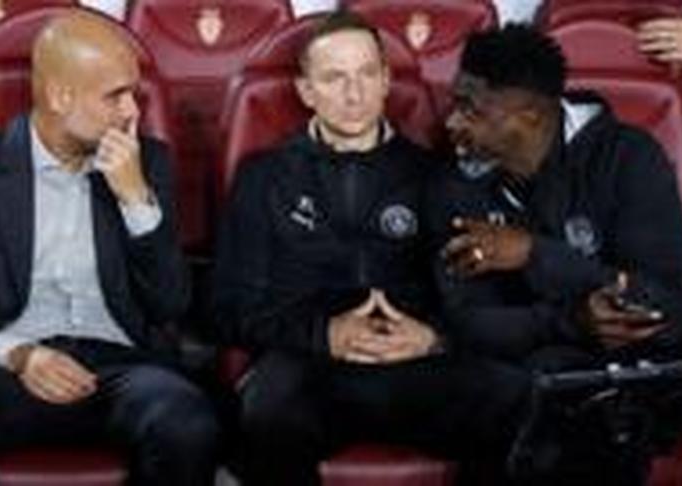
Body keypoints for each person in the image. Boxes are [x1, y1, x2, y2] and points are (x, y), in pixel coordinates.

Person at [213, 11, 529, 486]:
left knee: (515, 396)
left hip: (415, 361)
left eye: (365, 74)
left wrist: (433, 337)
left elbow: (481, 300)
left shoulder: (437, 176)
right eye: (334, 78)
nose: (354, 94)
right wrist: (324, 335)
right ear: (306, 91)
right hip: (309, 366)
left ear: (386, 81)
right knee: (264, 410)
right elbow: (227, 308)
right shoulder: (264, 176)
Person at [0, 11, 219, 486]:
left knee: (189, 426)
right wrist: (20, 355)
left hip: (121, 366)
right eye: (115, 95)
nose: (131, 111)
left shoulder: (147, 162)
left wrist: (135, 198)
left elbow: (170, 303)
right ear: (59, 96)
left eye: (134, 94)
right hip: (11, 363)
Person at [429, 24, 682, 483]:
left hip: (629, 371)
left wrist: (535, 255)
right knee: (529, 389)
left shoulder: (628, 157)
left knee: (602, 399)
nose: (452, 122)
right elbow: (467, 322)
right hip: (523, 377)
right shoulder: (452, 184)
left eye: (470, 110)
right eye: (455, 103)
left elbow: (664, 304)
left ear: (530, 115)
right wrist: (571, 319)